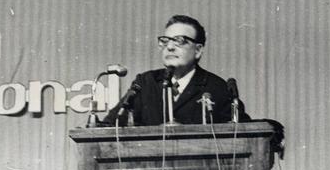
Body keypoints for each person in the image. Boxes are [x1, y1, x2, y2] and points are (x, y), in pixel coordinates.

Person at [103, 14, 250, 126]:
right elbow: (110, 124)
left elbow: (245, 131)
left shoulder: (217, 87)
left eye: (179, 41)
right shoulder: (145, 83)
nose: (170, 47)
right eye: (165, 41)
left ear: (198, 50)